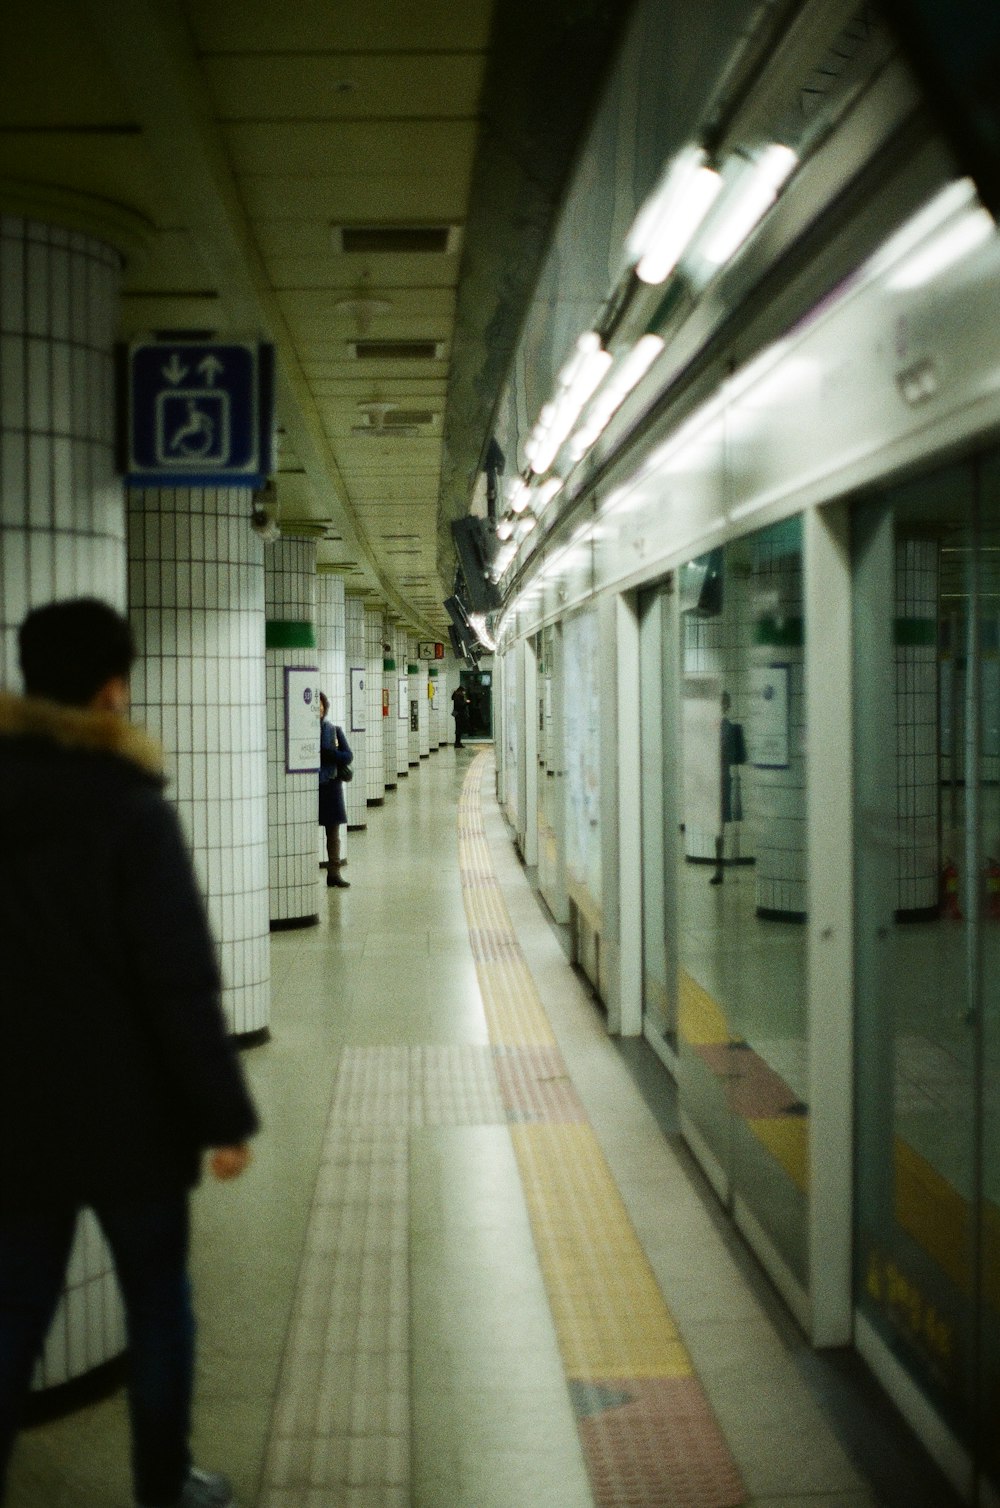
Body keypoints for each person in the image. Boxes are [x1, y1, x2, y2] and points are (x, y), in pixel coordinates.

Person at [0, 598, 259, 1508]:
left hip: (15, 1114)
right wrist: (222, 1116)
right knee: (156, 1306)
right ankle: (163, 1489)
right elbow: (176, 979)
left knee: (12, 1313)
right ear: (114, 686)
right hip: (130, 1118)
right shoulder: (130, 808)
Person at [710, 691, 746, 884]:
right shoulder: (722, 728)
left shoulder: (728, 729)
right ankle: (721, 868)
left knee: (722, 827)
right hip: (721, 781)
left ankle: (721, 869)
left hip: (724, 781)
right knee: (721, 827)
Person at [318, 692, 351, 888]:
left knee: (333, 833)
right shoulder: (304, 732)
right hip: (312, 787)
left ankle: (334, 872)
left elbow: (347, 756)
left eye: (321, 705)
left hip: (331, 786)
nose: (318, 709)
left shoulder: (334, 730)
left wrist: (330, 754)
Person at [451, 684, 469, 748]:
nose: (464, 692)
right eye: (464, 691)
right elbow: (460, 705)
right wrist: (466, 702)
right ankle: (457, 743)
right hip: (460, 715)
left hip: (458, 714)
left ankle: (458, 742)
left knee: (459, 729)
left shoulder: (456, 695)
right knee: (459, 729)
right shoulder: (458, 696)